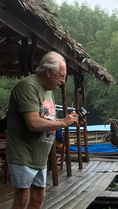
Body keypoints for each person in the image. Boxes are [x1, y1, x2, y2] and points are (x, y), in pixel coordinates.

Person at [6, 51, 79, 209]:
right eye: (61, 76)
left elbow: (48, 119)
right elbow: (33, 123)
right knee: (22, 198)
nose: (63, 81)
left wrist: (67, 120)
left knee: (39, 196)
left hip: (40, 155)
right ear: (48, 72)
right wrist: (63, 122)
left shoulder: (49, 91)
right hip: (23, 153)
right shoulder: (28, 86)